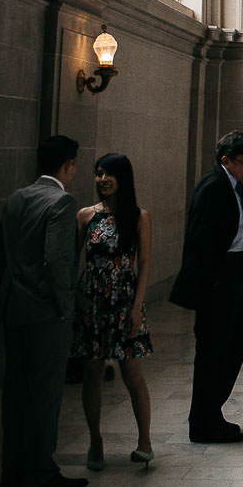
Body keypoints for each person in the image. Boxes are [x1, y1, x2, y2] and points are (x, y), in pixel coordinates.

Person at [0, 135, 89, 487]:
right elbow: (56, 261)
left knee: (15, 395)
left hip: (14, 309)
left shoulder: (18, 197)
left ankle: (13, 472)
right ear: (68, 164)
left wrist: (10, 291)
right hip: (46, 314)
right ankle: (41, 474)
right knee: (45, 396)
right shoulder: (61, 202)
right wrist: (65, 308)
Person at [168, 131, 243, 444]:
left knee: (236, 342)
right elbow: (199, 240)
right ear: (225, 160)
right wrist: (210, 284)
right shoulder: (213, 186)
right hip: (217, 280)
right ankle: (203, 422)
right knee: (213, 350)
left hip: (234, 273)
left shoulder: (232, 184)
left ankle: (211, 412)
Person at [73, 153, 153, 470]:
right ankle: (95, 439)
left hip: (124, 298)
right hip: (92, 300)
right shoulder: (85, 216)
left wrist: (136, 307)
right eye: (98, 173)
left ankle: (144, 440)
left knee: (131, 372)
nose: (102, 179)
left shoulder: (137, 216)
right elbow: (72, 260)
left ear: (123, 178)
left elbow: (144, 264)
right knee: (92, 373)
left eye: (109, 174)